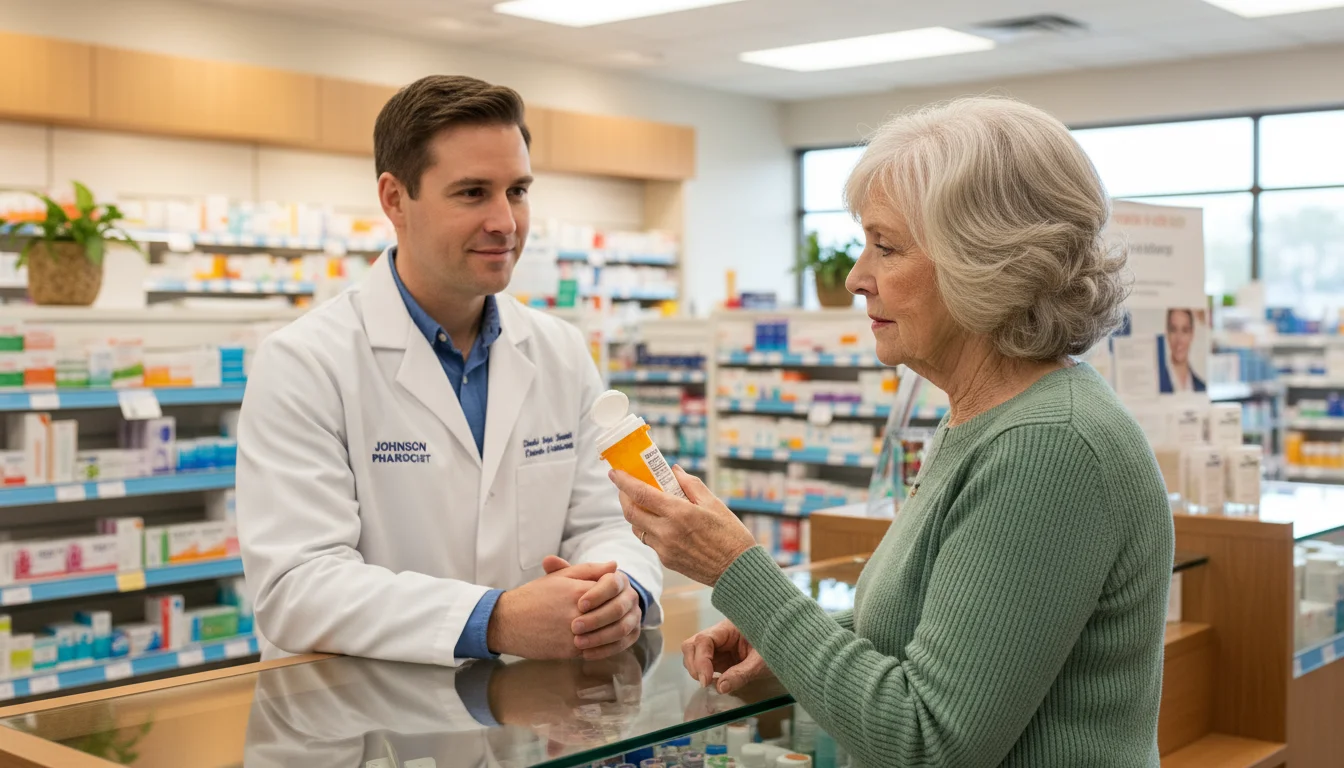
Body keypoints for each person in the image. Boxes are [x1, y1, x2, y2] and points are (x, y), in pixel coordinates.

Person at [610, 97, 1174, 767]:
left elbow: (927, 743)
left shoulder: (1049, 445)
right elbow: (944, 639)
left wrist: (737, 570)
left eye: (887, 246)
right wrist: (786, 642)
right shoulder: (986, 417)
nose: (855, 277)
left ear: (985, 262)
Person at [237, 75, 662, 667]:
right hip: (367, 729)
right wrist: (494, 620)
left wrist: (623, 591)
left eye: (517, 190)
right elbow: (296, 586)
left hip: (527, 714)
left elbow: (611, 519)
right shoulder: (306, 362)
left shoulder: (559, 350)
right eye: (472, 193)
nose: (506, 222)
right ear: (394, 199)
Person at [1159, 308, 1206, 393]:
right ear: (1167, 333)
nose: (1179, 340)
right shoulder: (1157, 382)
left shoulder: (1201, 387)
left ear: (1192, 334)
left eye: (1185, 331)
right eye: (1173, 330)